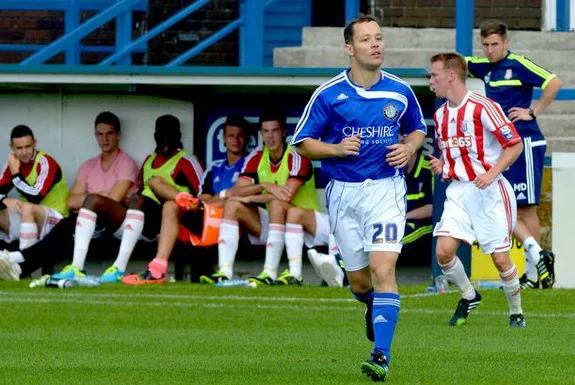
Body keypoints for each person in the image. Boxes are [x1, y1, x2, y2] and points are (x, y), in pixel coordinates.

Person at [291, 14, 427, 382]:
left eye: (379, 38)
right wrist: (335, 150)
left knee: (384, 271)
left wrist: (410, 148)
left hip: (385, 189)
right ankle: (370, 307)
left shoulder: (399, 90)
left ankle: (380, 354)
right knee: (360, 283)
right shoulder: (329, 94)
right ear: (349, 48)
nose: (376, 45)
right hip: (343, 195)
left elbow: (416, 128)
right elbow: (303, 143)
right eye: (367, 40)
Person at [428, 52, 526, 329]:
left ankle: (516, 312)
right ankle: (470, 296)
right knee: (444, 252)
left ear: (451, 75)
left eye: (434, 75)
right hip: (459, 191)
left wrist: (491, 173)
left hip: (490, 191)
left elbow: (515, 144)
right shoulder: (439, 115)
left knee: (500, 259)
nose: (430, 80)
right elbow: (456, 158)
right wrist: (443, 166)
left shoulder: (484, 107)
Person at [49, 114, 203, 283]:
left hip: (164, 220)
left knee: (151, 187)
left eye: (170, 134)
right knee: (94, 200)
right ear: (155, 136)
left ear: (179, 136)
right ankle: (76, 267)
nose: (165, 140)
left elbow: (201, 196)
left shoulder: (187, 160)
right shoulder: (149, 160)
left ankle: (119, 268)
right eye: (161, 134)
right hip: (137, 218)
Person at [466, 20, 562, 289]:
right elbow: (454, 64)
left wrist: (533, 111)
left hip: (527, 141)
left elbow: (554, 82)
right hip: (504, 146)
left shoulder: (518, 64)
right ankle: (534, 268)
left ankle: (537, 271)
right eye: (485, 45)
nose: (490, 49)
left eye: (495, 44)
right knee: (510, 206)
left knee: (526, 205)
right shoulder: (482, 65)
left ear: (505, 43)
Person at [0, 112, 139, 282]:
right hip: (83, 219)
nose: (105, 139)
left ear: (118, 135)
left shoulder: (126, 163)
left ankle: (19, 262)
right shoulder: (88, 165)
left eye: (110, 133)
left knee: (63, 226)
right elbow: (72, 201)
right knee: (67, 225)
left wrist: (92, 200)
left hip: (109, 224)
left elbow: (112, 202)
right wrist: (94, 198)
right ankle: (17, 263)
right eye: (100, 134)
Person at [200, 110, 322, 286]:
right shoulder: (257, 157)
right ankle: (224, 272)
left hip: (305, 224)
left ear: (283, 133)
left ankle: (270, 272)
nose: (270, 137)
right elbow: (236, 192)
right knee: (233, 204)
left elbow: (286, 195)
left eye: (274, 131)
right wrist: (263, 186)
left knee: (277, 204)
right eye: (266, 131)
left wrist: (251, 199)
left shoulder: (297, 156)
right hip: (274, 224)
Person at [122, 115, 249, 284]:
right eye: (231, 135)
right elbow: (202, 197)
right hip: (203, 216)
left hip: (231, 222)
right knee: (168, 202)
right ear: (224, 138)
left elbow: (243, 197)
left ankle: (182, 201)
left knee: (226, 204)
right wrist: (212, 199)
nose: (236, 140)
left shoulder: (251, 163)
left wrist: (220, 197)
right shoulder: (214, 168)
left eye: (239, 135)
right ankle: (157, 269)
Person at [0, 125, 68, 253]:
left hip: (57, 220)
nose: (24, 152)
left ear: (34, 143)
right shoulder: (13, 163)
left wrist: (16, 174)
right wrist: (4, 199)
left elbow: (35, 197)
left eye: (28, 147)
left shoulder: (45, 162)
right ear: (11, 147)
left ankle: (26, 261)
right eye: (19, 148)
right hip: (29, 218)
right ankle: (4, 254)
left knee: (27, 207)